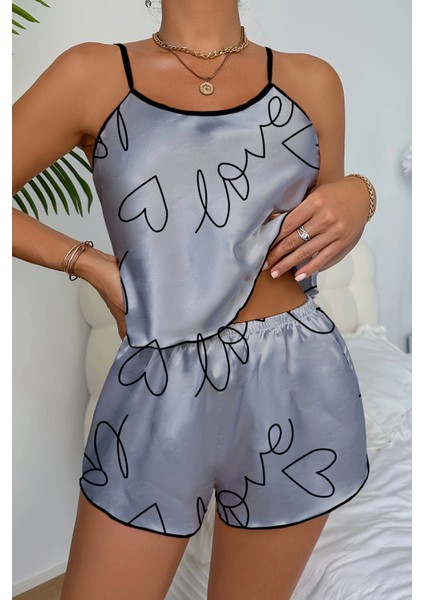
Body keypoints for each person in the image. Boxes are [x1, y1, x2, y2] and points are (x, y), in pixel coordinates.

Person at [12, 0, 377, 598]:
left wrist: (360, 196)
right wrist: (89, 263)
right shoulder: (90, 73)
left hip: (297, 380)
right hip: (158, 385)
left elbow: (317, 240)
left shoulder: (313, 80)